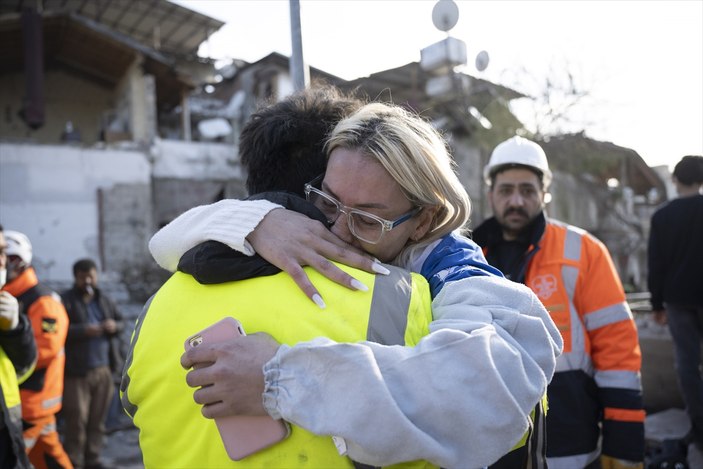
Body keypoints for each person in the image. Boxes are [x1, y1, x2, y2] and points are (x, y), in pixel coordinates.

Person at [145, 91, 561, 467]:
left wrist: (281, 378)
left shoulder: (449, 265)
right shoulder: (292, 226)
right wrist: (257, 220)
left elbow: (489, 385)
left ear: (425, 220)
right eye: (327, 201)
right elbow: (163, 245)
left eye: (367, 219)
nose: (337, 234)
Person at [472, 136, 645, 469]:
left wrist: (623, 443)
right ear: (491, 194)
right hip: (490, 440)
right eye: (506, 190)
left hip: (568, 442)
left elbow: (618, 351)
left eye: (527, 190)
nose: (516, 201)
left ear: (544, 193)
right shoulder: (469, 255)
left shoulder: (584, 251)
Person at [2, 230, 73, 469]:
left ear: (20, 260)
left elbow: (44, 351)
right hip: (24, 400)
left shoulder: (42, 300)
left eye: (7, 256)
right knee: (48, 455)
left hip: (32, 401)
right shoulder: (11, 295)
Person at [648, 155, 703, 453]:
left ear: (675, 180)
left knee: (687, 365)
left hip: (678, 300)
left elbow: (655, 264)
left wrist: (657, 304)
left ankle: (700, 427)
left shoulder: (662, 216)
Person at [61, 258, 125, 469]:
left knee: (98, 419)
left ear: (96, 276)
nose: (87, 280)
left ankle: (93, 457)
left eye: (91, 276)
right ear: (76, 277)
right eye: (83, 277)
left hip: (103, 369)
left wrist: (113, 325)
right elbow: (59, 331)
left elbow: (122, 322)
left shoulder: (104, 299)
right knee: (76, 420)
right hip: (76, 372)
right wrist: (83, 330)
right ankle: (74, 460)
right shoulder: (66, 301)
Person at [0, 224, 37, 469]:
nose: (3, 262)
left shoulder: (11, 301)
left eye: (4, 252)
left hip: (8, 438)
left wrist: (15, 329)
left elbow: (24, 364)